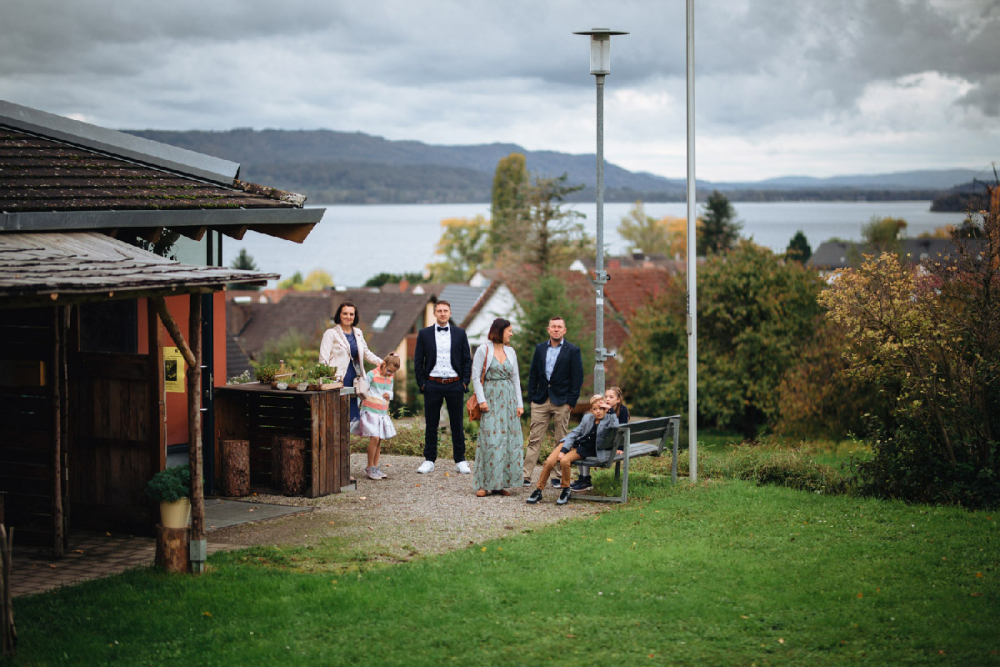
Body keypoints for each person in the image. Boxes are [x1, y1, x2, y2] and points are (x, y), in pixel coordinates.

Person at [413, 300, 474, 474]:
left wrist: (464, 382)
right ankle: (429, 460)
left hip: (455, 383)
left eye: (445, 310)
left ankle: (460, 460)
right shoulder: (424, 334)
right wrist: (422, 384)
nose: (442, 313)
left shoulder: (460, 333)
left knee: (457, 423)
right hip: (432, 383)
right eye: (439, 310)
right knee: (431, 424)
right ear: (434, 313)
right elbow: (418, 361)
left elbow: (466, 360)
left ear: (450, 312)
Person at [524, 316, 584, 488]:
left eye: (559, 327)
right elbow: (533, 374)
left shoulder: (572, 350)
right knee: (534, 438)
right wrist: (532, 397)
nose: (556, 329)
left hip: (562, 401)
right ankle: (526, 475)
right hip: (541, 399)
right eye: (553, 326)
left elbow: (577, 378)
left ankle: (557, 476)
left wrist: (571, 401)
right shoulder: (540, 348)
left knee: (561, 440)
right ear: (548, 329)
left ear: (564, 330)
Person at [527, 395, 619, 506]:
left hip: (583, 449)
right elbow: (574, 434)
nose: (598, 412)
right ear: (591, 410)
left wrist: (610, 410)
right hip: (570, 443)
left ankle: (566, 490)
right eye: (595, 409)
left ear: (605, 409)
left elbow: (615, 428)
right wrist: (564, 449)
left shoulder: (609, 420)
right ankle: (538, 490)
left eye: (601, 409)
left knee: (564, 461)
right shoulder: (587, 419)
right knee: (549, 461)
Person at [471, 318, 524, 497]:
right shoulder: (483, 349)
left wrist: (519, 403)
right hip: (491, 397)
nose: (512, 333)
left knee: (507, 441)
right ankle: (484, 484)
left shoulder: (511, 351)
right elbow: (475, 376)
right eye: (509, 330)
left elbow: (515, 378)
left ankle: (500, 484)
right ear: (500, 331)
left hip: (508, 399)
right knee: (490, 441)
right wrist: (481, 400)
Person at [319, 301, 382, 424]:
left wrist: (383, 363)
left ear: (355, 316)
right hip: (337, 379)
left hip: (354, 379)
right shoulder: (330, 334)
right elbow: (323, 359)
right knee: (336, 415)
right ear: (339, 315)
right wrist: (328, 380)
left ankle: (347, 442)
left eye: (351, 314)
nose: (348, 317)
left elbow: (366, 353)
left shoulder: (358, 333)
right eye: (345, 313)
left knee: (351, 418)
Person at [351, 353, 401, 480]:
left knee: (379, 440)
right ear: (383, 364)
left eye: (392, 373)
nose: (390, 374)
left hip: (382, 412)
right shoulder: (371, 374)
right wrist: (357, 407)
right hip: (370, 411)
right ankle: (369, 466)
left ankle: (375, 466)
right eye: (389, 371)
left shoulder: (390, 377)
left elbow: (390, 389)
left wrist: (389, 394)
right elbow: (362, 390)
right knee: (375, 437)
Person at [572, 386, 630, 491]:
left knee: (585, 448)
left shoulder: (622, 410)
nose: (607, 399)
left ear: (618, 400)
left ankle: (585, 479)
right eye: (606, 396)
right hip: (602, 442)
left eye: (611, 397)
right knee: (581, 445)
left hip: (610, 445)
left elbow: (622, 430)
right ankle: (583, 477)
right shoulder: (603, 409)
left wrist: (620, 447)